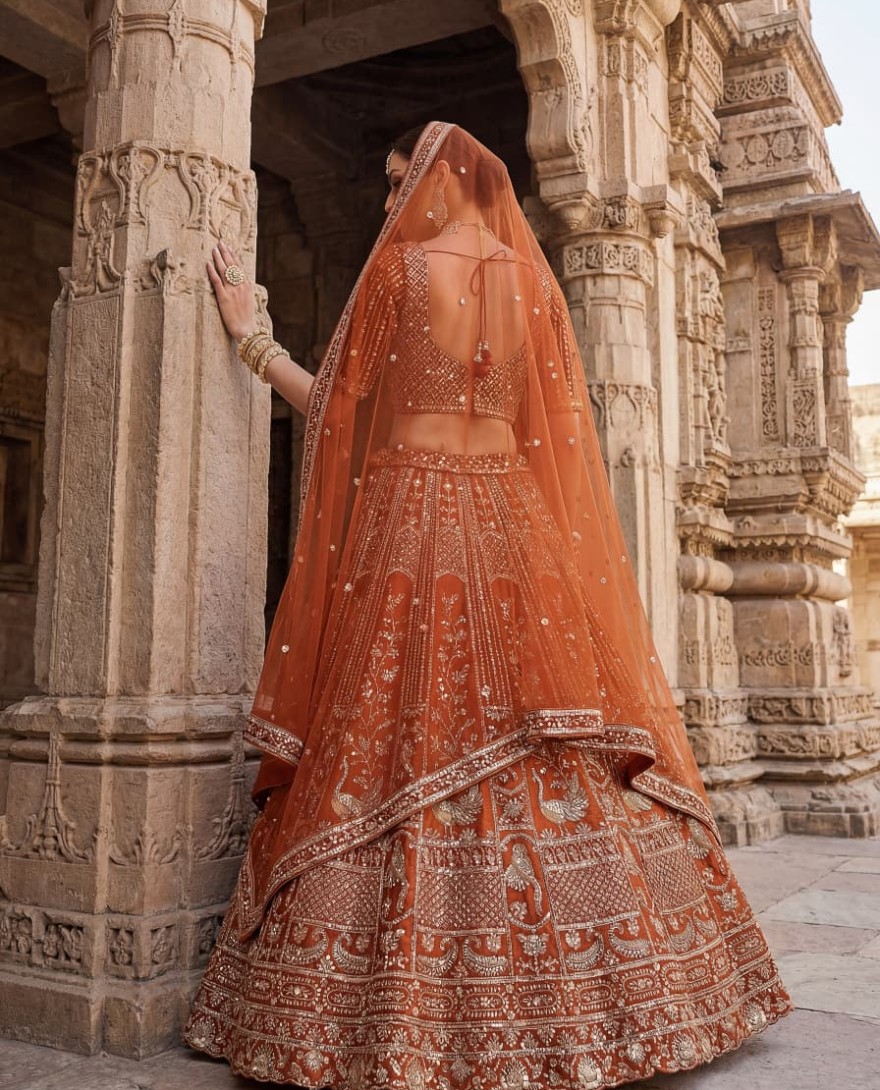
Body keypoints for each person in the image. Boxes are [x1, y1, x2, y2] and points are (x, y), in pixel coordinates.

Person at [184, 121, 792, 1089]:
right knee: (539, 730)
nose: (391, 202)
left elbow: (338, 408)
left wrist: (251, 339)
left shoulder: (400, 271)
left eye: (399, 182)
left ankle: (390, 1009)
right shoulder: (532, 286)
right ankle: (620, 989)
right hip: (513, 523)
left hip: (412, 521)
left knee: (398, 728)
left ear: (442, 182)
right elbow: (554, 434)